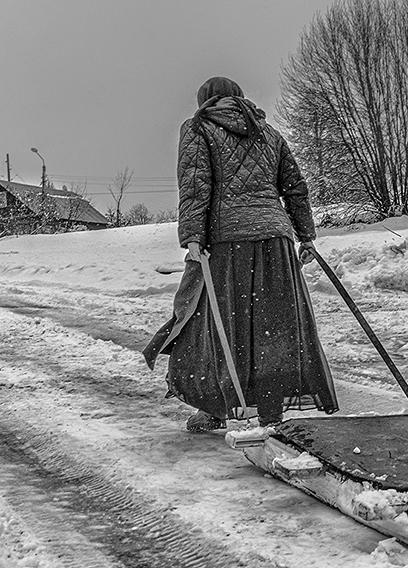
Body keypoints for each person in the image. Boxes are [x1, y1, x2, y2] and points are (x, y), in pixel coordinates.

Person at [143, 76, 337, 432]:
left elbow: (195, 183)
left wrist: (192, 237)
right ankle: (270, 409)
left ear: (204, 100)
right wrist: (305, 235)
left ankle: (216, 407)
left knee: (210, 322)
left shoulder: (198, 127)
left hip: (226, 241)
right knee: (272, 326)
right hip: (276, 240)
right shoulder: (269, 133)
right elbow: (295, 186)